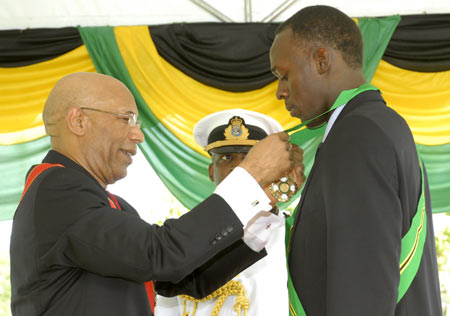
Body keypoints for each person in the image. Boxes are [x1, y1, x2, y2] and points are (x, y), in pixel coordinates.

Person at [9, 72, 304, 316]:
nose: (138, 135)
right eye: (127, 119)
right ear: (78, 121)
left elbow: (186, 277)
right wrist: (251, 175)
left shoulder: (109, 205)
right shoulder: (57, 190)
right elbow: (163, 253)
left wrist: (265, 200)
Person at [269, 5, 442, 316]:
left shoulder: (358, 135)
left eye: (284, 76)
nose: (280, 92)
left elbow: (362, 294)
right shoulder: (371, 125)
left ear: (321, 60)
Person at [155, 109, 290, 316]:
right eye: (227, 157)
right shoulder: (181, 241)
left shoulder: (293, 235)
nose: (238, 168)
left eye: (248, 159)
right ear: (211, 171)